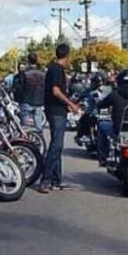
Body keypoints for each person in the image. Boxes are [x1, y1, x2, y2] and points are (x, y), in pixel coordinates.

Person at [37, 44, 78, 194]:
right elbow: (55, 91)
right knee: (55, 146)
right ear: (67, 55)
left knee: (57, 146)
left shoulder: (54, 69)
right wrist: (70, 104)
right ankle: (45, 180)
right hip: (56, 112)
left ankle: (55, 180)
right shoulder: (56, 69)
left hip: (57, 110)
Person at [15, 54, 46, 131]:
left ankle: (26, 141)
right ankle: (39, 140)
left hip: (26, 100)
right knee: (38, 127)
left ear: (28, 61)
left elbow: (19, 88)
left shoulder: (25, 73)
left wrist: (18, 99)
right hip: (39, 101)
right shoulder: (42, 74)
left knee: (25, 128)